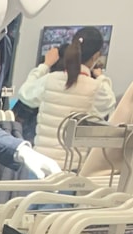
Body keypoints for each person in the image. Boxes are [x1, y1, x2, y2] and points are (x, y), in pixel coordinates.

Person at [17, 26, 117, 167]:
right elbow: (109, 102)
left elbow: (25, 93)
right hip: (71, 167)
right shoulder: (96, 88)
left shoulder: (50, 80)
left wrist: (45, 65)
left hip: (41, 163)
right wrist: (101, 77)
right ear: (96, 56)